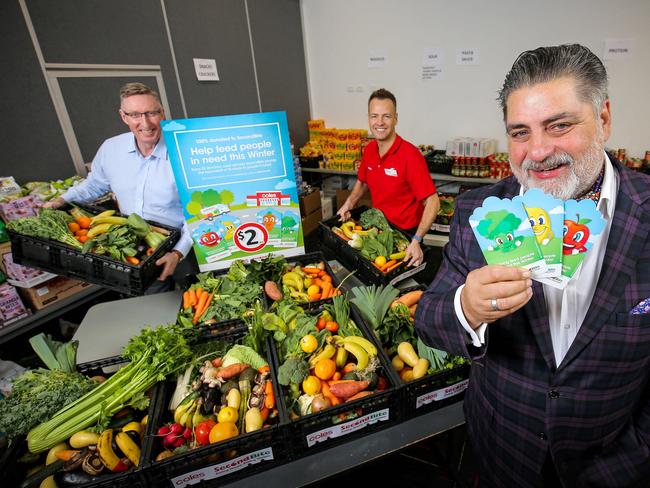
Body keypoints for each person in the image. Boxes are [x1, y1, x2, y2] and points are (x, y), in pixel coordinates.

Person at [415, 44, 650, 487]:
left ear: (603, 119)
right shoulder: (476, 214)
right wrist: (467, 308)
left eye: (558, 125)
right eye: (520, 132)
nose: (537, 152)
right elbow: (428, 319)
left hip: (616, 467)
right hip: (501, 455)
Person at [45, 82, 194, 293]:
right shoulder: (111, 149)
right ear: (124, 116)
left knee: (197, 298)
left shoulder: (184, 152)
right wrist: (61, 200)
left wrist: (178, 252)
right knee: (155, 307)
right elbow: (94, 185)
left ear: (162, 113)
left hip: (185, 244)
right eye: (135, 115)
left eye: (151, 113)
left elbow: (197, 208)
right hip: (140, 248)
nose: (145, 122)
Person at [336, 88, 440, 267]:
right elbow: (362, 181)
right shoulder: (369, 150)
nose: (380, 122)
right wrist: (349, 203)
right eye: (374, 116)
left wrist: (416, 240)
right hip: (378, 228)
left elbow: (433, 202)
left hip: (405, 235)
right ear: (368, 118)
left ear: (396, 118)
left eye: (386, 116)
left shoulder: (410, 156)